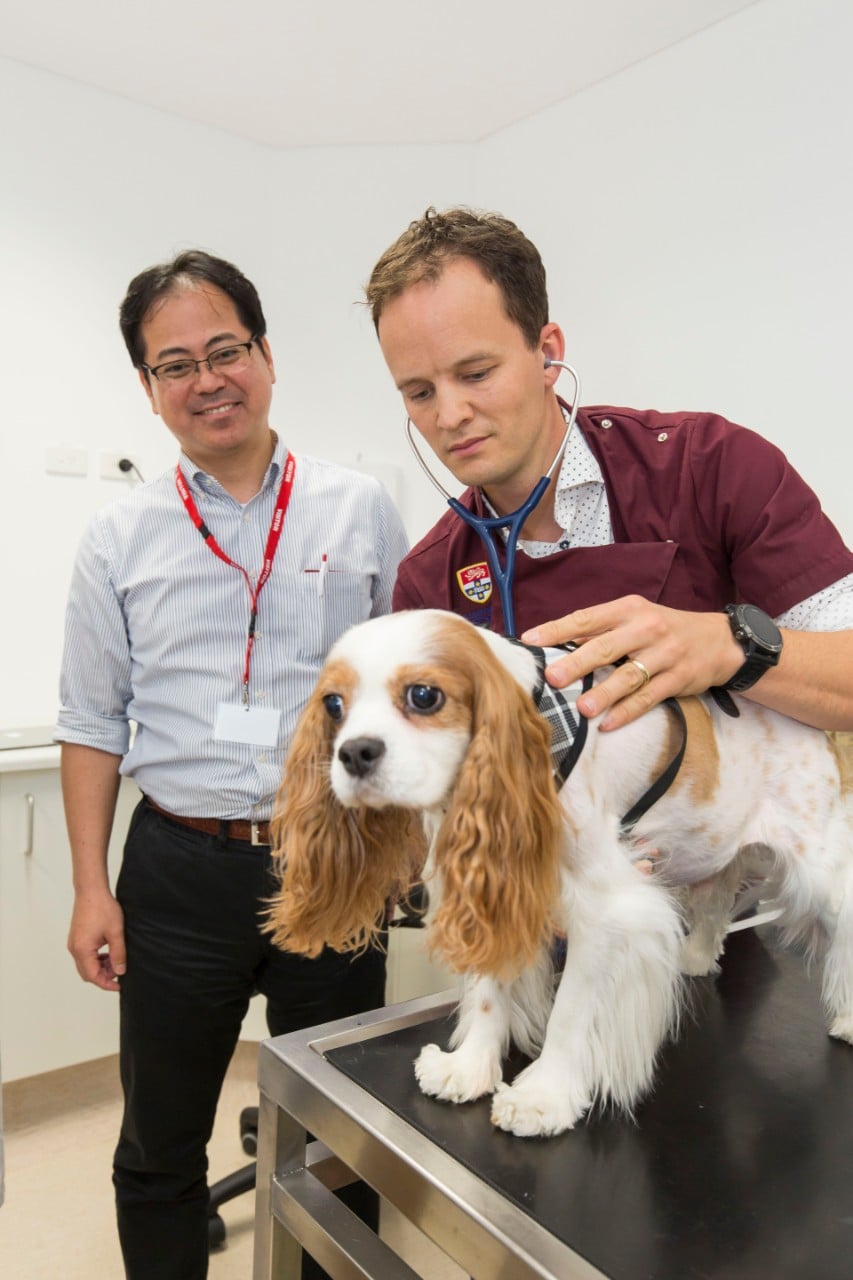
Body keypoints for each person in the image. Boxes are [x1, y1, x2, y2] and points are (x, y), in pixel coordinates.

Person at [56, 250, 408, 1280]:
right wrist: (90, 886)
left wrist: (403, 842)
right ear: (149, 389)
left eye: (225, 350)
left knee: (342, 1140)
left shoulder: (360, 506)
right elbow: (90, 720)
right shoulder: (118, 534)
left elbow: (408, 688)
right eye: (176, 364)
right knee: (158, 1145)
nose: (207, 379)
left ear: (265, 355)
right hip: (178, 869)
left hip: (335, 856)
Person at [365, 206, 853, 732]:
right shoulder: (428, 583)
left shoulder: (711, 467)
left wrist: (728, 647)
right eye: (419, 392)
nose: (450, 415)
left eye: (477, 373)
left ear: (548, 354)